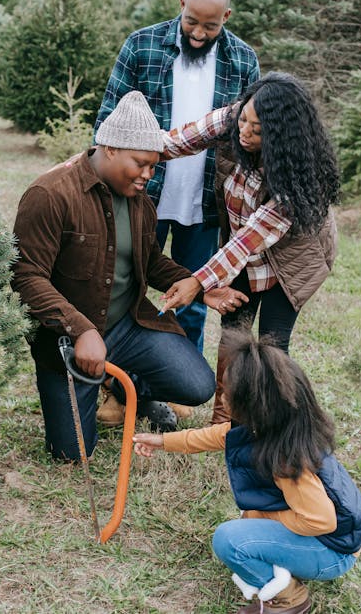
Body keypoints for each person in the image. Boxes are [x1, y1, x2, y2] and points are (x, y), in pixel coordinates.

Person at [11, 90, 215, 462]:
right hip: (69, 341)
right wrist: (81, 330)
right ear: (110, 149)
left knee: (197, 385)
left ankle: (129, 388)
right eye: (141, 164)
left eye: (154, 166)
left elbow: (150, 262)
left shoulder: (140, 202)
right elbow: (26, 276)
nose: (148, 175)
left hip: (127, 325)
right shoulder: (50, 193)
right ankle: (100, 381)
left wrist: (200, 284)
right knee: (72, 454)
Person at [133, 332, 361, 614]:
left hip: (333, 552)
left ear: (251, 402)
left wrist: (262, 516)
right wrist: (162, 442)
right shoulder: (276, 425)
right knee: (246, 523)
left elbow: (321, 521)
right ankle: (286, 562)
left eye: (226, 392)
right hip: (332, 540)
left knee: (229, 539)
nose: (221, 396)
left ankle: (289, 599)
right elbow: (217, 436)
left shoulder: (286, 459)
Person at [158, 72, 340, 423]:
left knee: (273, 345)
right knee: (232, 334)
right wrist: (107, 153)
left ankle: (272, 423)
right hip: (242, 251)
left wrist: (197, 282)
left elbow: (250, 239)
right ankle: (225, 421)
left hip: (291, 261)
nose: (245, 131)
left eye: (257, 130)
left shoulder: (301, 178)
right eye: (244, 120)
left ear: (281, 136)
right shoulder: (234, 117)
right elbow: (175, 141)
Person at [95, 0, 259, 352]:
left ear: (227, 17)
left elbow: (250, 137)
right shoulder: (142, 46)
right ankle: (119, 386)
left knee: (194, 294)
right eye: (192, 22)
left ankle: (179, 385)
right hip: (143, 193)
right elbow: (108, 121)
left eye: (211, 26)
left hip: (206, 202)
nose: (199, 33)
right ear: (181, 4)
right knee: (126, 287)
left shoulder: (243, 61)